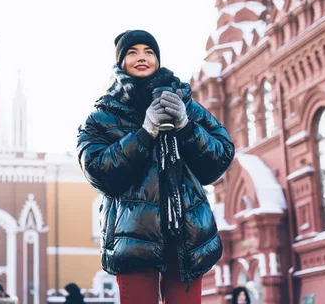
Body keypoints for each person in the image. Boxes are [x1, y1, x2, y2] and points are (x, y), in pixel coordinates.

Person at [76, 30, 235, 304]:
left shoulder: (183, 103)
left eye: (149, 52)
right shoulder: (102, 116)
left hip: (187, 235)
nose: (142, 57)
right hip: (134, 237)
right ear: (120, 61)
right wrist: (145, 132)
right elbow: (98, 171)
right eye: (133, 52)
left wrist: (186, 127)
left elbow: (220, 156)